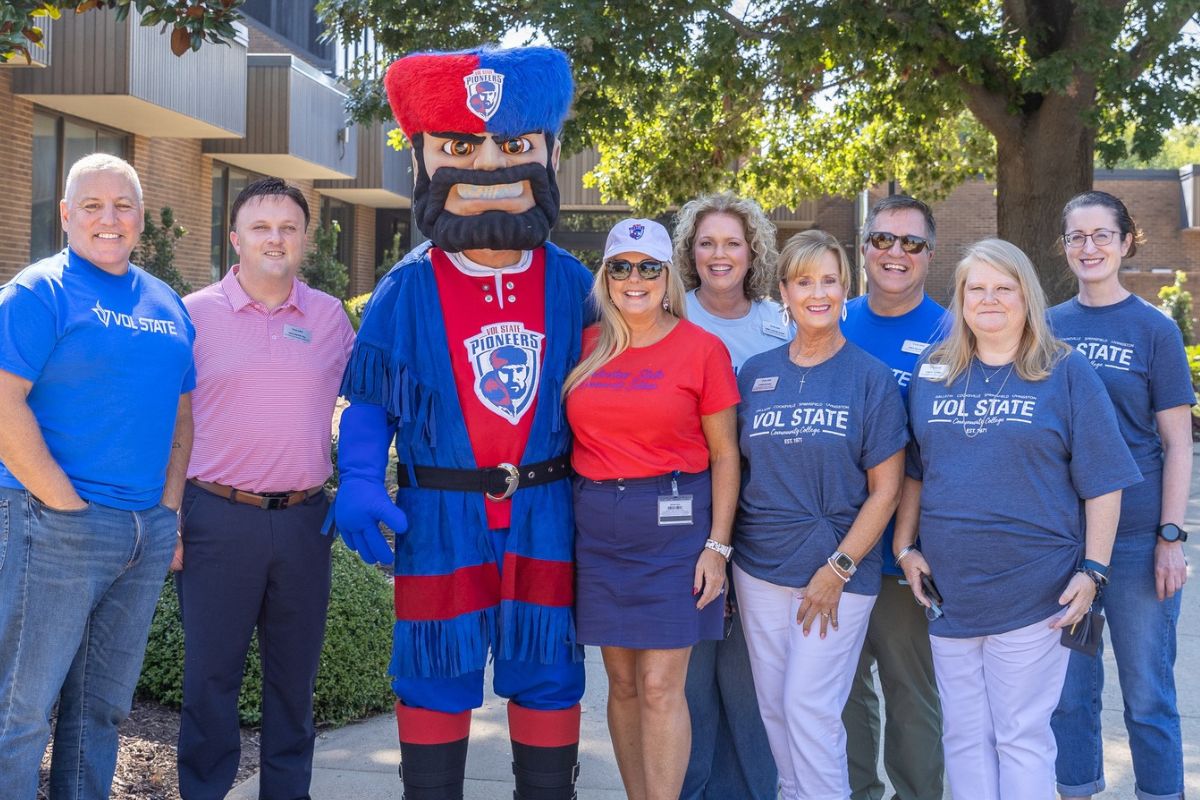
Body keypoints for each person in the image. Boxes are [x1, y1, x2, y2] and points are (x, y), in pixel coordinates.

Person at [333, 46, 592, 800]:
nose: (484, 165)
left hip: (546, 508)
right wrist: (356, 479)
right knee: (434, 673)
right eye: (458, 147)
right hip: (439, 511)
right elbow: (371, 400)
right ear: (421, 159)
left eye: (511, 147)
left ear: (546, 152)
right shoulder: (405, 287)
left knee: (548, 671)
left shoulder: (576, 284)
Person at [895, 238, 1142, 800]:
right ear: (958, 300)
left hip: (1037, 589)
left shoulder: (1066, 372)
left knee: (1021, 735)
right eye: (976, 288)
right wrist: (905, 548)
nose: (989, 299)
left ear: (1026, 296)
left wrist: (1094, 570)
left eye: (1003, 288)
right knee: (962, 734)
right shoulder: (933, 372)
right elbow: (915, 471)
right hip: (949, 591)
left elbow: (1104, 480)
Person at [0, 153, 195, 799]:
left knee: (101, 710)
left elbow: (181, 412)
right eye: (92, 205)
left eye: (123, 206)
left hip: (143, 536)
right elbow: (3, 401)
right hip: (52, 525)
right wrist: (62, 503)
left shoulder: (167, 302)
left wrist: (166, 510)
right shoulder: (38, 291)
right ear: (64, 215)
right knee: (20, 711)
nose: (108, 219)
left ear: (141, 216)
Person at [174, 178, 355, 799]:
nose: (275, 238)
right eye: (261, 227)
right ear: (235, 238)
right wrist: (168, 514)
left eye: (288, 227)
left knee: (293, 685)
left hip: (306, 522)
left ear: (306, 239)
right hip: (217, 517)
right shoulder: (192, 315)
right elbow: (168, 421)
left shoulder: (331, 319)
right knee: (209, 682)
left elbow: (369, 407)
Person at [566, 218, 740, 800]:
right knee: (621, 684)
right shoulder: (585, 346)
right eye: (621, 266)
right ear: (605, 276)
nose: (633, 278)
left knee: (663, 685)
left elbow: (725, 456)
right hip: (597, 529)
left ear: (668, 278)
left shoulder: (703, 350)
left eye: (648, 267)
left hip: (676, 530)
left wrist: (717, 545)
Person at [734, 229, 907, 800]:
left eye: (829, 281)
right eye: (804, 281)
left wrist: (837, 568)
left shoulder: (871, 378)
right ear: (783, 290)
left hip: (836, 570)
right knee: (775, 708)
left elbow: (886, 490)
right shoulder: (755, 372)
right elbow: (737, 470)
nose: (817, 293)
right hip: (759, 565)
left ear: (845, 287)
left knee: (810, 707)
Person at [1048, 192, 1193, 800]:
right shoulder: (1048, 325)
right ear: (1065, 246)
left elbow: (1178, 444)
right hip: (1062, 542)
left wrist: (1170, 537)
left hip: (1136, 542)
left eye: (1102, 235)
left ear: (1127, 241)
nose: (1090, 248)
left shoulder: (1154, 329)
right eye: (1077, 237)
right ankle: (1078, 789)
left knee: (1148, 696)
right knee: (1068, 698)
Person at [671, 191, 781, 800]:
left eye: (732, 243)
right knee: (690, 680)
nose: (719, 254)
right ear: (691, 251)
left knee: (751, 681)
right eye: (707, 242)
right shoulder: (670, 312)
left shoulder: (777, 321)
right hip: (687, 516)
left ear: (752, 250)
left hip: (765, 520)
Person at [840, 195, 946, 800]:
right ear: (865, 246)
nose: (894, 253)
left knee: (912, 698)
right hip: (833, 551)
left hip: (908, 559)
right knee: (843, 698)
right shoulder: (831, 319)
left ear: (930, 254)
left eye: (910, 243)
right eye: (883, 240)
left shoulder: (954, 332)